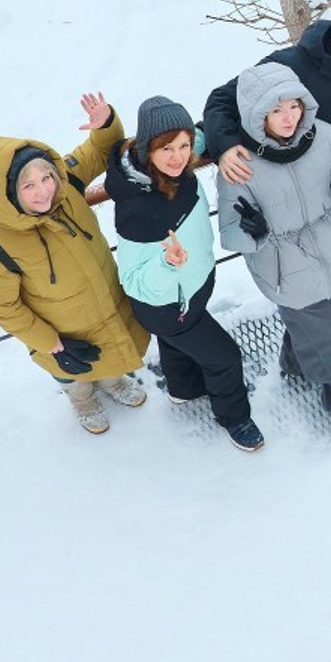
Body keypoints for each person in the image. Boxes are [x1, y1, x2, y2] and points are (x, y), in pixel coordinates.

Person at [202, 0, 331, 357]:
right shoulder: (292, 64)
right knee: (313, 281)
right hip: (295, 191)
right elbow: (222, 100)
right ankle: (316, 353)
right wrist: (224, 145)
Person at [217, 64, 331, 446]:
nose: (288, 117)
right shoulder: (240, 163)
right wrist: (254, 230)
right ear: (258, 114)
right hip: (286, 270)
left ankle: (296, 362)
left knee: (319, 329)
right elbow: (231, 231)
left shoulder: (324, 136)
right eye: (276, 110)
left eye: (293, 106)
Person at [107, 96, 264, 452]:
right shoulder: (137, 209)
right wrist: (166, 265)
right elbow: (134, 282)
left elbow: (206, 130)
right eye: (167, 149)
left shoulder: (176, 162)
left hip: (189, 290)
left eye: (184, 146)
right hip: (168, 306)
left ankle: (184, 388)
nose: (179, 157)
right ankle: (235, 419)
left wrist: (227, 140)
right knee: (224, 358)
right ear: (147, 149)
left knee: (175, 344)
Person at [0, 94, 149, 434]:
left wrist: (105, 124)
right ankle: (82, 401)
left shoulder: (66, 186)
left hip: (106, 304)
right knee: (74, 376)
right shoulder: (3, 239)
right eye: (28, 186)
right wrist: (51, 344)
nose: (44, 192)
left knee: (111, 354)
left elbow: (99, 151)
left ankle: (113, 382)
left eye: (46, 178)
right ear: (7, 193)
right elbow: (5, 307)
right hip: (62, 335)